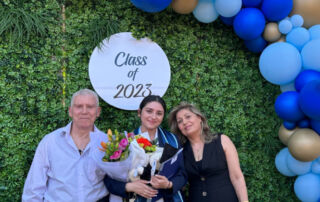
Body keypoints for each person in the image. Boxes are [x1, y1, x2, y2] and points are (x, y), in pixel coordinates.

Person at [22, 89, 109, 202]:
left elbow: (114, 185)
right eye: (78, 106)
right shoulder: (50, 142)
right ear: (70, 111)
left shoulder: (108, 144)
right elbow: (33, 189)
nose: (84, 111)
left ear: (98, 111)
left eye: (90, 106)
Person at [104, 95, 187, 202]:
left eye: (159, 113)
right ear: (139, 113)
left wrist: (169, 184)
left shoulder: (172, 141)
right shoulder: (124, 142)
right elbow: (109, 180)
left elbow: (182, 174)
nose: (153, 116)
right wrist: (129, 186)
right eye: (149, 111)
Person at [168, 102, 248, 202]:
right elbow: (180, 182)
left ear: (199, 118)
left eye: (188, 117)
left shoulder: (222, 140)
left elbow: (237, 177)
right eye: (180, 121)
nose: (184, 122)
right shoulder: (180, 152)